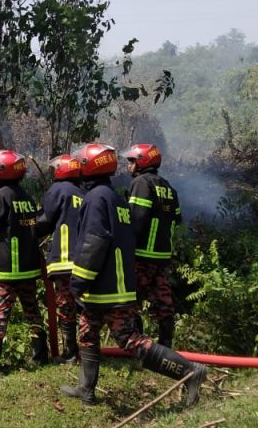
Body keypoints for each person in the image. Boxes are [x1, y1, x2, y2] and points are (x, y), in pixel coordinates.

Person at [60, 142, 207, 406]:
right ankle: (85, 388)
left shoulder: (97, 198)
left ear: (90, 166)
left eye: (81, 163)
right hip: (113, 280)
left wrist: (79, 279)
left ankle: (190, 372)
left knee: (128, 338)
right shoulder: (113, 197)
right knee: (88, 331)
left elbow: (94, 241)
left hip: (106, 285)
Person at [0, 149, 48, 377]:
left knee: (0, 314)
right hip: (28, 267)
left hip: (9, 268)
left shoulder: (1, 196)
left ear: (4, 171)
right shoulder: (25, 197)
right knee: (32, 311)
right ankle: (40, 355)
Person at [123, 143, 181, 348]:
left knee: (131, 300)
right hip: (162, 256)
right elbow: (177, 218)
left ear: (142, 162)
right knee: (163, 301)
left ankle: (138, 346)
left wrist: (125, 246)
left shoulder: (141, 183)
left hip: (141, 254)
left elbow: (135, 219)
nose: (128, 165)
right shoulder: (168, 187)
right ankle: (166, 347)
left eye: (132, 161)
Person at [35, 153, 86, 363]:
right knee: (84, 304)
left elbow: (44, 221)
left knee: (65, 305)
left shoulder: (58, 190)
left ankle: (70, 352)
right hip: (84, 262)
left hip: (64, 260)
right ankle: (88, 348)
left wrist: (28, 228)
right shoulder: (83, 193)